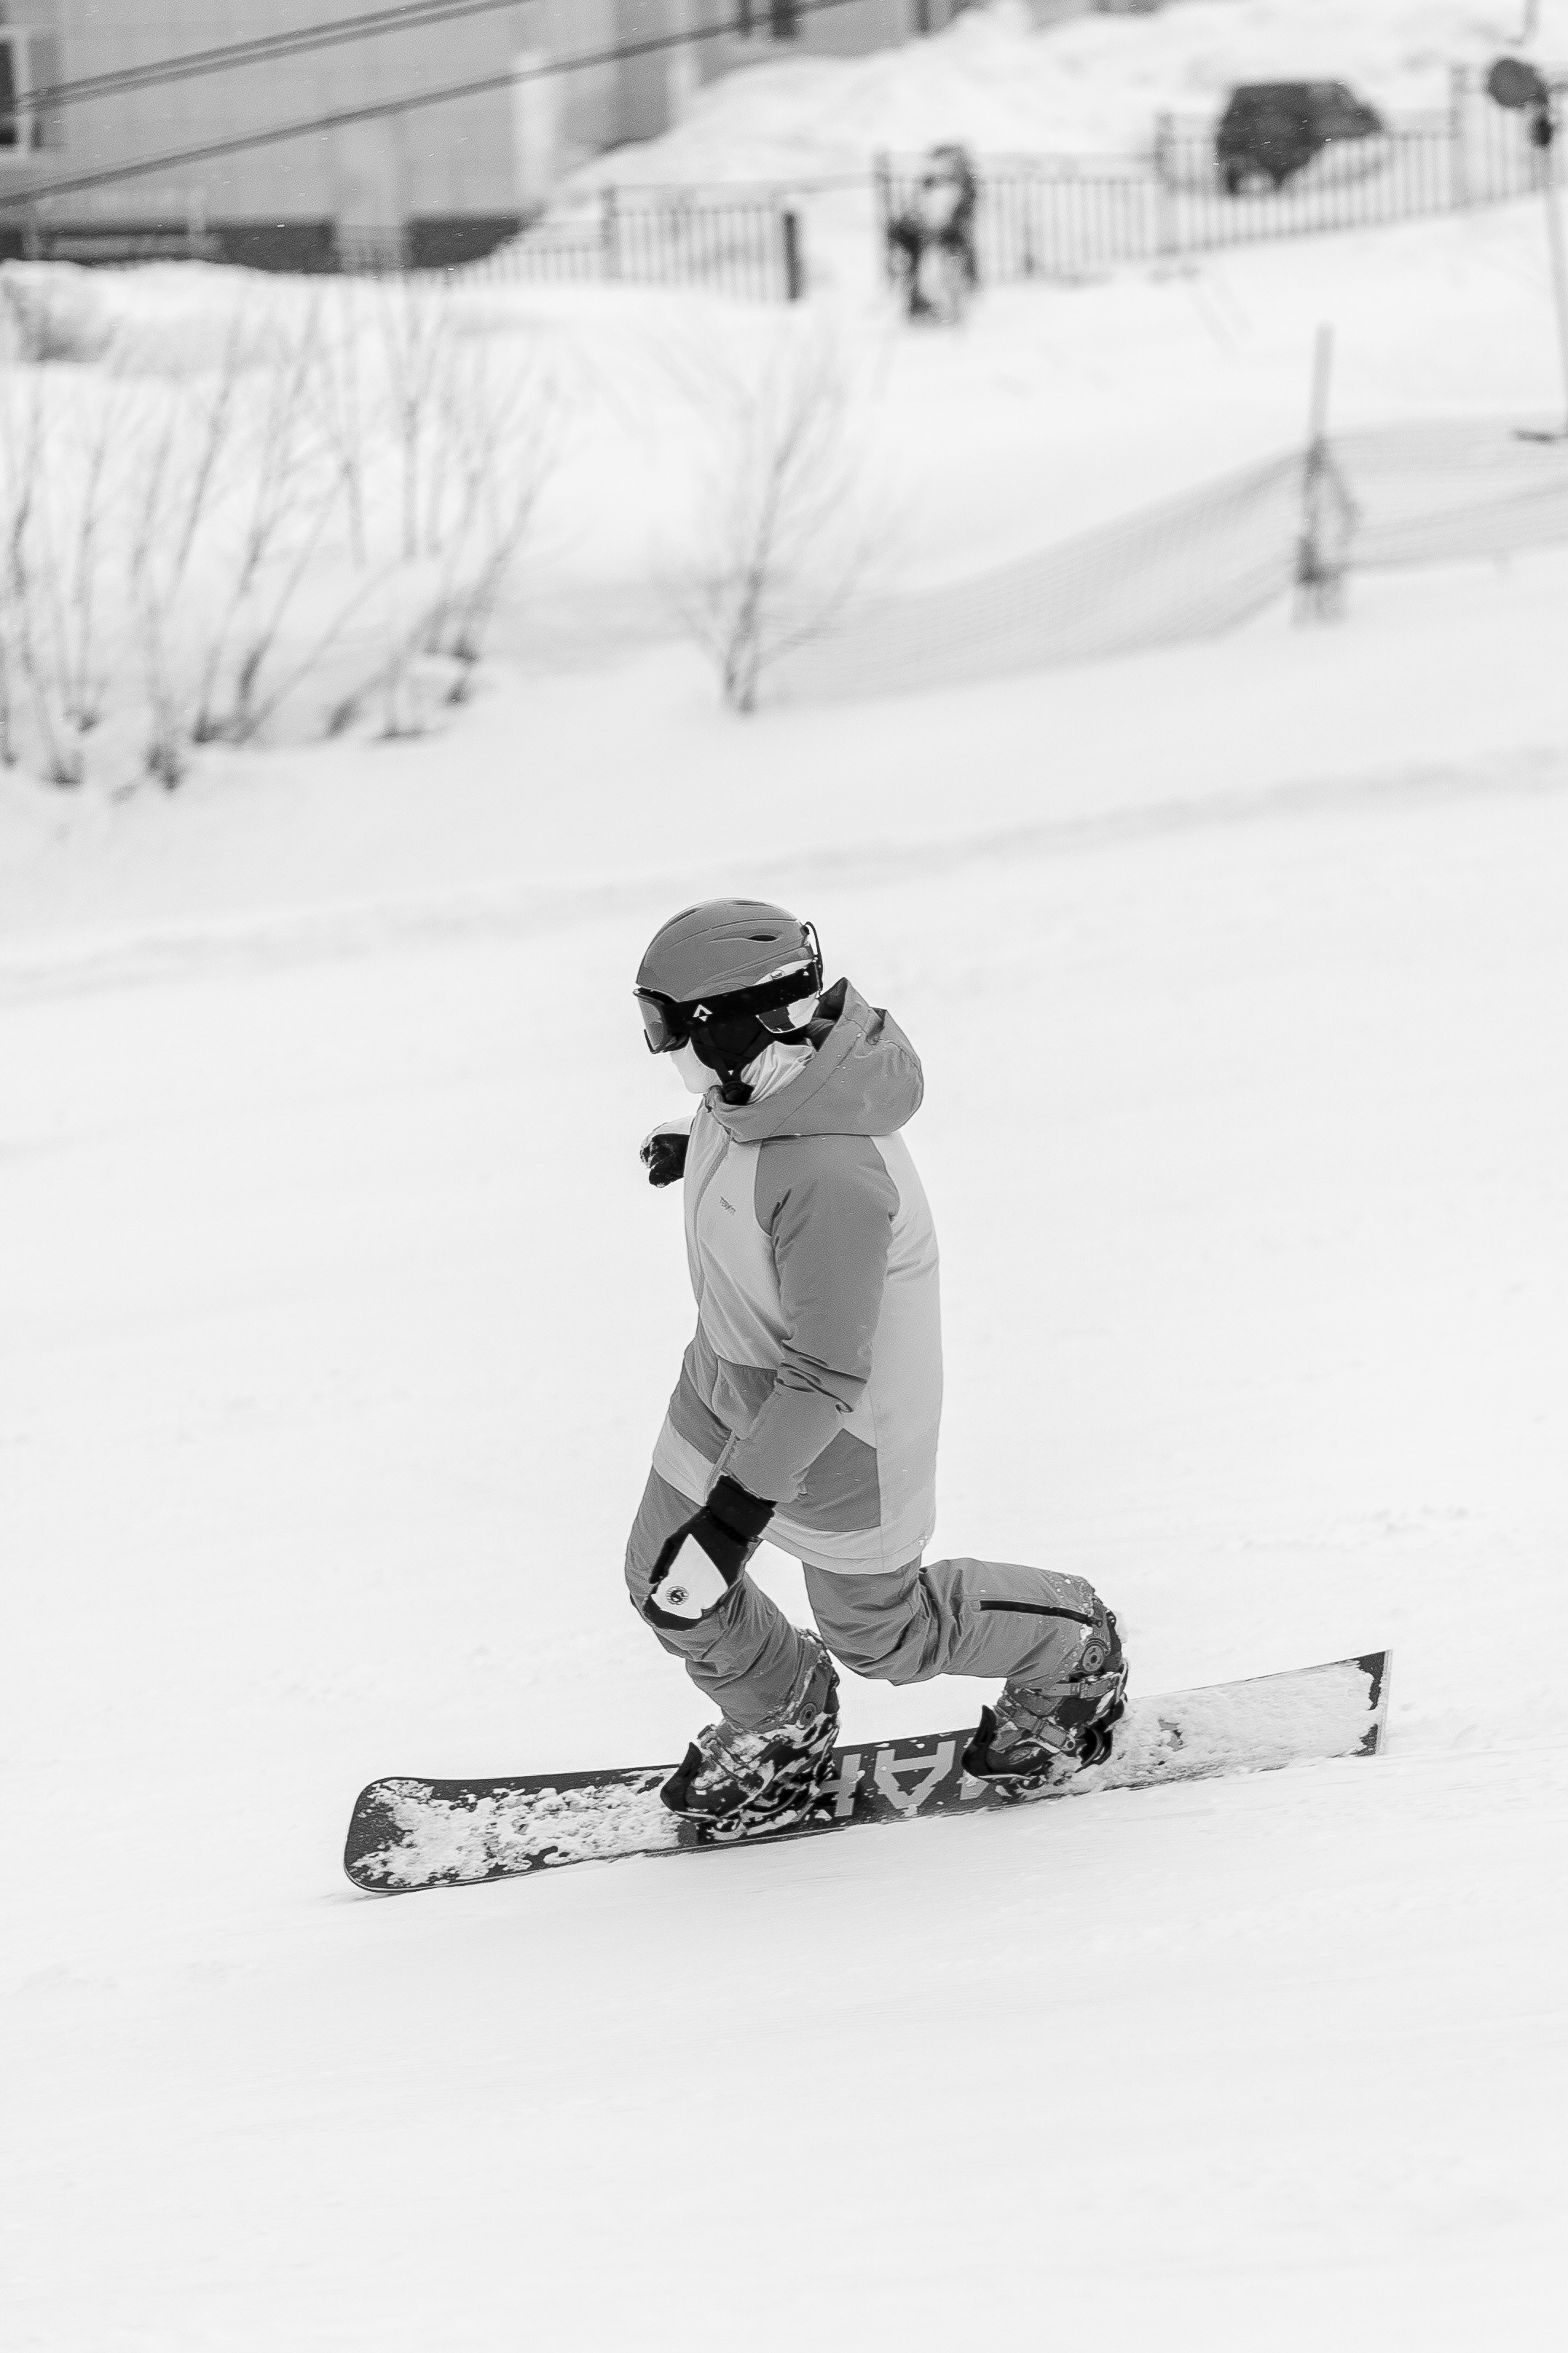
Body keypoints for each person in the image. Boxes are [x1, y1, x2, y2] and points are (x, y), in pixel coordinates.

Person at [628, 897, 1126, 1837]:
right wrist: (697, 1152)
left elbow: (825, 1371)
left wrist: (732, 1520)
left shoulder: (830, 1174)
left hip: (839, 1434)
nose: (659, 1049)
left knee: (881, 1634)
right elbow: (757, 1155)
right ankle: (783, 1720)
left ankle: (1071, 1650)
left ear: (726, 1026)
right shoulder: (758, 1089)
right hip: (728, 1383)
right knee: (669, 1583)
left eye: (665, 1025)